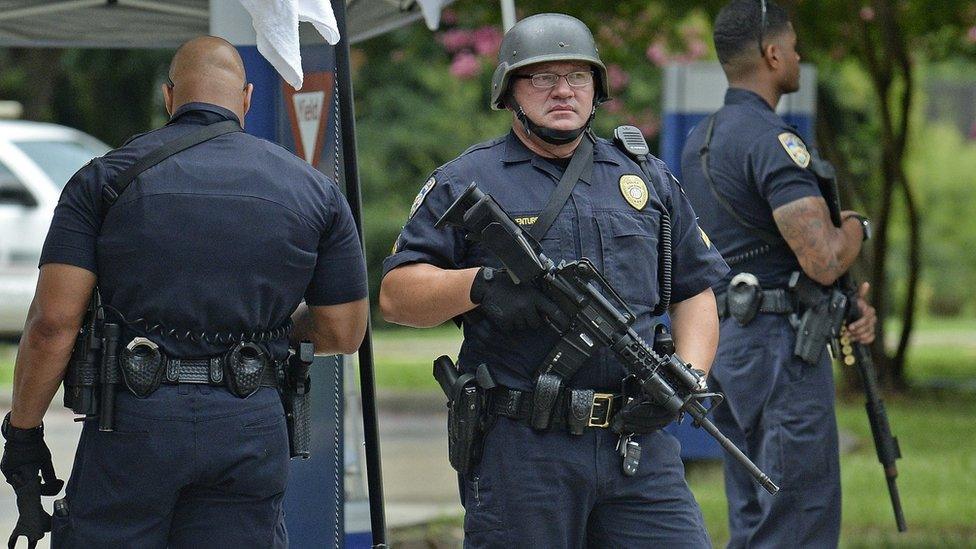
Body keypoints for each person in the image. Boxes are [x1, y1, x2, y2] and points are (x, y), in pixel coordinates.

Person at [0, 36, 368, 547]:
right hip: (250, 423)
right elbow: (344, 330)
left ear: (169, 96)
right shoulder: (316, 192)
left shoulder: (103, 180)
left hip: (133, 423)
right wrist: (269, 337)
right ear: (246, 97)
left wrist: (23, 432)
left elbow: (52, 324)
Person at [380, 13, 729, 547]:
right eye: (542, 77)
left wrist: (689, 375)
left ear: (597, 89)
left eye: (578, 77)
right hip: (523, 450)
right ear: (510, 91)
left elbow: (695, 291)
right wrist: (481, 285)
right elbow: (396, 295)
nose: (563, 90)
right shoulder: (466, 180)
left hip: (637, 446)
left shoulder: (646, 177)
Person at [678, 1, 877, 547]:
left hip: (728, 347)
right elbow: (824, 257)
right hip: (778, 355)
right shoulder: (771, 140)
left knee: (753, 519)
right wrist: (858, 225)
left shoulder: (699, 141)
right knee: (798, 517)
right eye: (791, 46)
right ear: (771, 53)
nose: (798, 54)